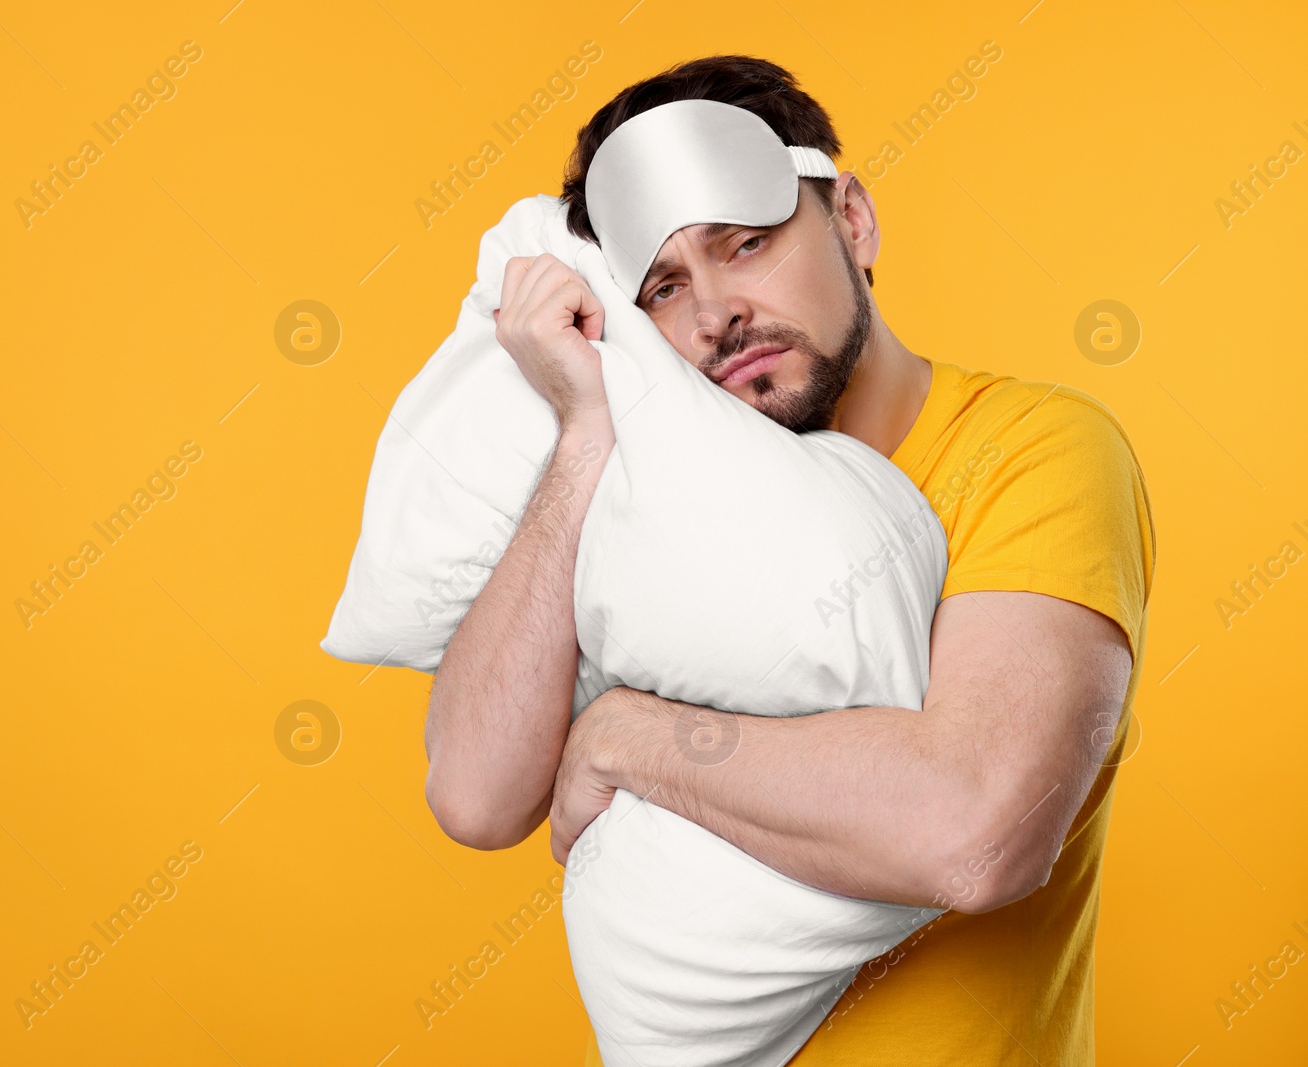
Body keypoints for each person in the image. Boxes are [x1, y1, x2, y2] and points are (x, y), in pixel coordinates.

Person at [423, 54, 1154, 1066]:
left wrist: (623, 736)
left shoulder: (1035, 448)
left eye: (749, 243)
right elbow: (474, 793)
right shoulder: (647, 509)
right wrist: (583, 432)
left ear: (851, 219)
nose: (716, 312)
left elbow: (980, 830)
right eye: (664, 288)